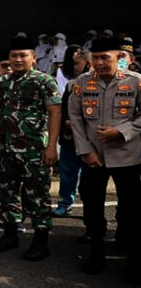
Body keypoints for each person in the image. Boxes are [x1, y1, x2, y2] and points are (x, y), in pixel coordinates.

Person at [69, 37, 141, 283]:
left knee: (131, 210)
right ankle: (96, 253)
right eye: (95, 58)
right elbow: (76, 118)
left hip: (128, 156)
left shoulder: (136, 82)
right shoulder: (81, 83)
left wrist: (121, 131)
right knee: (92, 206)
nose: (99, 63)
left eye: (105, 58)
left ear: (119, 57)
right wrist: (85, 150)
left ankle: (133, 259)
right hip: (94, 158)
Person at [0, 36, 61, 261]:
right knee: (7, 193)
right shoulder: (2, 82)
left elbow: (55, 113)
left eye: (23, 55)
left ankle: (41, 241)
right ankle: (10, 234)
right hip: (7, 149)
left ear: (34, 57)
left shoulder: (45, 81)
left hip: (35, 151)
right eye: (14, 56)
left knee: (37, 196)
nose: (18, 59)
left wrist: (51, 147)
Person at [53, 47, 89, 217]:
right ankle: (64, 203)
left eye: (78, 63)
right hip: (70, 138)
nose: (75, 67)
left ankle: (91, 208)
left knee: (90, 178)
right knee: (68, 172)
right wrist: (67, 121)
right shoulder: (72, 85)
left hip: (92, 140)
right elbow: (63, 107)